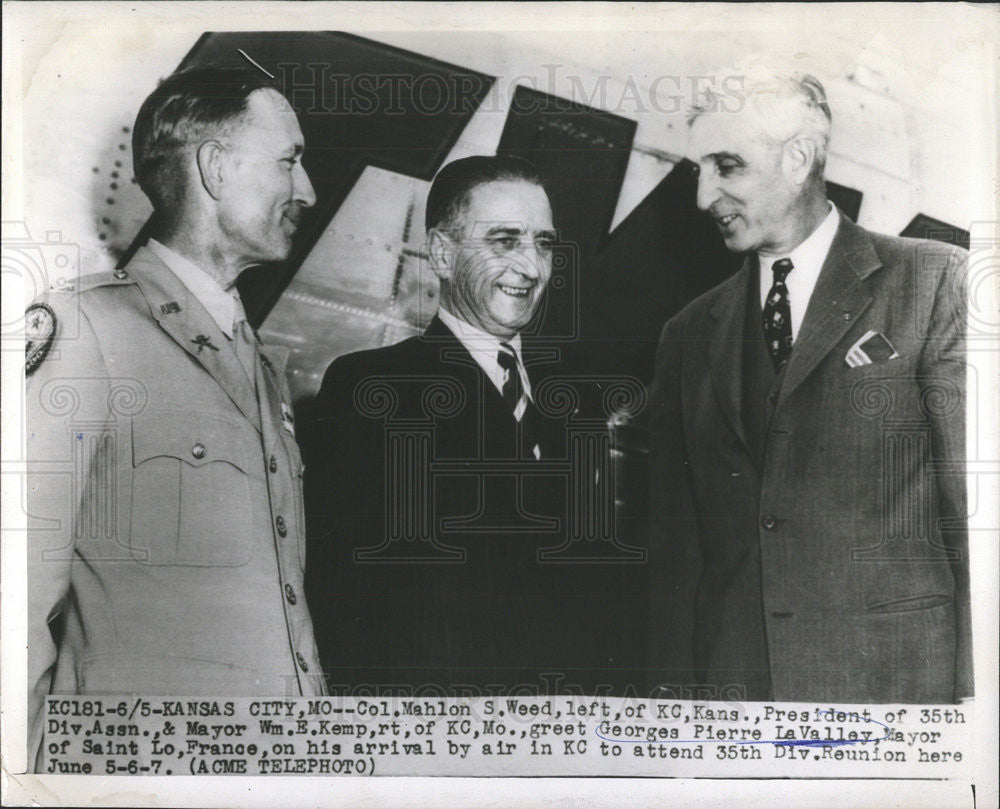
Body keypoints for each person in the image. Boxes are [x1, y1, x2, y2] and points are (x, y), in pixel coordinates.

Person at [25, 65, 326, 765]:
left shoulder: (261, 367)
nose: (307, 191)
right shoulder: (86, 329)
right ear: (216, 168)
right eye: (290, 162)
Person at [647, 69, 971, 704]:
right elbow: (675, 556)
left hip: (896, 695)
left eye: (727, 165)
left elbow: (976, 520)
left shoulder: (934, 283)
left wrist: (979, 706)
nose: (702, 195)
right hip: (734, 701)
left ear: (797, 158)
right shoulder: (685, 333)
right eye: (698, 170)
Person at [306, 154, 640, 695]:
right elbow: (343, 596)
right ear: (442, 252)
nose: (532, 267)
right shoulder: (376, 389)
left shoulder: (574, 405)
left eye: (545, 244)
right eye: (505, 241)